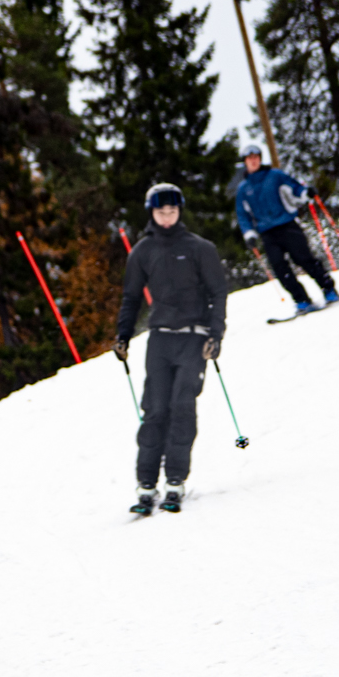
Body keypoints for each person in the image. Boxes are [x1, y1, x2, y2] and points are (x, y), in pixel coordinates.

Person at [115, 183, 229, 514]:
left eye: (173, 212)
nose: (167, 218)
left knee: (181, 406)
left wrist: (215, 334)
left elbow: (218, 292)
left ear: (180, 212)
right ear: (152, 213)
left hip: (193, 338)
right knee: (155, 409)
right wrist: (123, 335)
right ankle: (146, 486)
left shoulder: (199, 248)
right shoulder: (143, 251)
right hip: (160, 340)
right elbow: (132, 297)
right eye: (161, 212)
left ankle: (175, 482)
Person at [234, 144, 339, 315]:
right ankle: (302, 300)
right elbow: (242, 215)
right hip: (267, 232)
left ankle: (329, 289)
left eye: (256, 157)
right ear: (245, 162)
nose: (253, 161)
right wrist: (249, 233)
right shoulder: (243, 189)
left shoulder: (275, 176)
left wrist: (306, 193)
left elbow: (295, 187)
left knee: (304, 259)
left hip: (287, 225)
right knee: (279, 268)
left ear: (260, 159)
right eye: (249, 158)